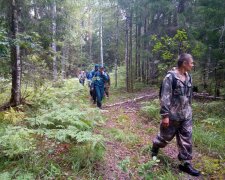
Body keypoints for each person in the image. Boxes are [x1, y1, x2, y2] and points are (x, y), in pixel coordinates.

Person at [151, 53, 201, 177]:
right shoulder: (170, 77)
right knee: (164, 138)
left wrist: (189, 109)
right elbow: (165, 97)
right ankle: (154, 148)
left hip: (186, 116)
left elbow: (189, 96)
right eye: (191, 62)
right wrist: (165, 115)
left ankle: (186, 163)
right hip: (172, 117)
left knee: (186, 140)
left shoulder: (188, 76)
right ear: (184, 63)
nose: (192, 65)